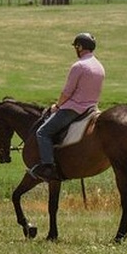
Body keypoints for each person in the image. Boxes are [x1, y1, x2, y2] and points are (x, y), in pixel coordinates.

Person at [30, 33, 106, 182]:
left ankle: (48, 167)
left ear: (80, 47)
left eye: (76, 47)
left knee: (43, 132)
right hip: (92, 109)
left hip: (74, 109)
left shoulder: (79, 66)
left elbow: (67, 92)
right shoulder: (99, 66)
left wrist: (57, 106)